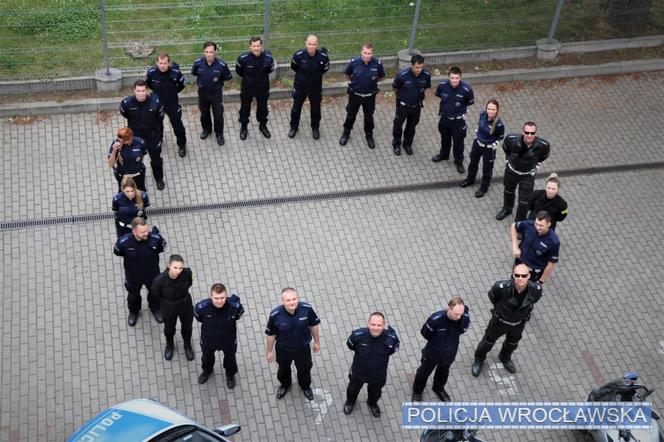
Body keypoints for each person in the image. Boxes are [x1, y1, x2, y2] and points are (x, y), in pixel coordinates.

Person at [471, 264, 542, 376]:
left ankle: (505, 357)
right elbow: (492, 296)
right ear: (513, 275)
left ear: (528, 276)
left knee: (512, 343)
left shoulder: (536, 289)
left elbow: (533, 302)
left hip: (518, 323)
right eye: (517, 275)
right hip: (500, 322)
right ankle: (479, 359)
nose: (520, 278)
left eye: (523, 275)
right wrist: (501, 311)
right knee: (487, 342)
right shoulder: (502, 287)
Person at [265, 287, 320, 400]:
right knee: (283, 369)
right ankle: (285, 385)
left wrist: (317, 342)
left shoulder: (307, 309)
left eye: (294, 299)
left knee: (305, 369)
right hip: (283, 349)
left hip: (303, 349)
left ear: (297, 299)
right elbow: (271, 334)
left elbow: (313, 325)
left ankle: (305, 386)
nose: (292, 302)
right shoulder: (275, 315)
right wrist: (269, 351)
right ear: (282, 301)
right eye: (288, 300)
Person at [411, 297, 470, 402]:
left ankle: (438, 388)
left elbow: (462, 330)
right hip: (432, 354)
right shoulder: (435, 320)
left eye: (461, 313)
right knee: (423, 373)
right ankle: (417, 391)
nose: (459, 317)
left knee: (443, 373)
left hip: (449, 354)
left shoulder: (464, 318)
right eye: (456, 314)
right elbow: (425, 333)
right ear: (449, 309)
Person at [343, 312, 399, 418]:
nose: (376, 328)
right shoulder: (358, 336)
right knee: (352, 389)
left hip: (378, 374)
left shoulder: (391, 338)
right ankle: (350, 402)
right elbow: (350, 345)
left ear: (384, 325)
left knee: (375, 392)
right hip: (358, 372)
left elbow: (392, 350)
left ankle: (372, 403)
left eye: (379, 325)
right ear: (368, 323)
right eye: (373, 324)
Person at [113, 217, 166, 326]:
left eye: (147, 230)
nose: (147, 233)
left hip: (152, 275)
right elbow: (117, 252)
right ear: (134, 231)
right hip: (133, 277)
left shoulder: (156, 239)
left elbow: (162, 247)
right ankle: (134, 312)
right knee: (133, 296)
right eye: (143, 232)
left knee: (155, 294)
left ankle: (156, 309)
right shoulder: (124, 242)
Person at [495, 121, 551, 221]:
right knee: (508, 191)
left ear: (536, 133)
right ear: (523, 132)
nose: (529, 135)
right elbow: (506, 149)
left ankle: (519, 222)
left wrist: (535, 164)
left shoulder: (543, 145)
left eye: (532, 133)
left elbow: (543, 156)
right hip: (511, 171)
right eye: (527, 132)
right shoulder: (511, 139)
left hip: (527, 175)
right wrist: (509, 160)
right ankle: (507, 209)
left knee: (524, 201)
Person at [195, 283, 245, 386]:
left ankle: (230, 374)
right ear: (211, 297)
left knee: (230, 358)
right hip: (208, 340)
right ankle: (207, 371)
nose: (219, 301)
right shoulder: (201, 308)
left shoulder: (235, 307)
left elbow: (237, 316)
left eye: (222, 298)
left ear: (226, 296)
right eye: (216, 298)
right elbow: (199, 318)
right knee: (207, 358)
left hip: (228, 340)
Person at [119, 80, 166, 190]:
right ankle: (136, 180)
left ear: (147, 90)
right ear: (134, 91)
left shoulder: (155, 102)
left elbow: (160, 117)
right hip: (134, 138)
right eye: (138, 91)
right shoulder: (127, 103)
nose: (141, 93)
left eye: (143, 90)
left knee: (156, 160)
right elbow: (124, 113)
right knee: (134, 160)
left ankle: (159, 178)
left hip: (152, 137)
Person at [339, 43, 385, 149]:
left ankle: (369, 136)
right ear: (361, 52)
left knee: (368, 117)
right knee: (350, 115)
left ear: (372, 54)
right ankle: (346, 133)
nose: (367, 55)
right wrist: (356, 82)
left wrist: (371, 82)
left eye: (369, 53)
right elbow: (347, 75)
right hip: (355, 95)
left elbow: (381, 77)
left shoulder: (377, 64)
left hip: (369, 96)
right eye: (365, 53)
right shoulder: (354, 62)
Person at [431, 66, 474, 174]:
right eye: (452, 78)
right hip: (445, 119)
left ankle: (458, 161)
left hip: (458, 121)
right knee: (444, 139)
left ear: (460, 78)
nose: (454, 80)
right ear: (449, 77)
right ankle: (444, 155)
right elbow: (438, 94)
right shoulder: (442, 85)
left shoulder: (466, 89)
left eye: (456, 78)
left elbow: (470, 102)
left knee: (458, 143)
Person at [151, 255, 195, 362]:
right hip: (169, 306)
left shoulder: (187, 272)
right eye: (175, 267)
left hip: (185, 304)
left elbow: (190, 282)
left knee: (187, 326)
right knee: (169, 328)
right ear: (169, 266)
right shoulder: (159, 281)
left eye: (180, 268)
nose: (178, 271)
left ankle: (187, 344)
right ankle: (169, 345)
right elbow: (156, 295)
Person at [460, 99, 505, 197]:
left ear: (497, 110)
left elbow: (500, 137)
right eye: (489, 109)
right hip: (478, 144)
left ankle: (484, 187)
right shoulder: (482, 114)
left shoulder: (499, 124)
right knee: (473, 163)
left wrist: (494, 143)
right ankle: (470, 179)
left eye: (493, 109)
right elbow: (480, 126)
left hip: (489, 148)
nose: (490, 111)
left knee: (487, 169)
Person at [191, 41, 233, 146]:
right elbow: (194, 72)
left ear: (215, 52)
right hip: (203, 93)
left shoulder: (222, 65)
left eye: (211, 52)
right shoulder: (198, 63)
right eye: (206, 52)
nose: (209, 54)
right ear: (203, 52)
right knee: (204, 113)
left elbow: (227, 77)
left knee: (218, 115)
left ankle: (219, 134)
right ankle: (207, 129)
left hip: (216, 94)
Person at [288, 35, 330, 140]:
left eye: (314, 44)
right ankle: (294, 126)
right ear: (306, 43)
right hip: (300, 86)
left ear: (317, 45)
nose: (311, 46)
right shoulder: (298, 55)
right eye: (310, 44)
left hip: (315, 88)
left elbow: (325, 69)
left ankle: (315, 127)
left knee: (316, 109)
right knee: (296, 108)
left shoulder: (323, 57)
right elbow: (294, 67)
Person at [146, 53, 187, 157]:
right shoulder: (151, 73)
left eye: (165, 63)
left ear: (169, 63)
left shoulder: (175, 72)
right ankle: (159, 140)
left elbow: (182, 84)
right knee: (156, 125)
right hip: (157, 103)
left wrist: (173, 92)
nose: (162, 65)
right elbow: (149, 84)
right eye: (160, 63)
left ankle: (182, 145)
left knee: (178, 126)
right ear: (157, 63)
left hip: (172, 103)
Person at [391, 53, 431, 156]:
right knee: (398, 125)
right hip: (403, 106)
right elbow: (396, 87)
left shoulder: (426, 75)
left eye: (421, 67)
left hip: (416, 106)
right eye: (417, 67)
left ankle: (407, 144)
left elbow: (426, 86)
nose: (419, 70)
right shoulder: (402, 75)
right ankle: (396, 144)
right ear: (412, 65)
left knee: (411, 126)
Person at [236, 36, 275, 140]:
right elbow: (239, 72)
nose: (256, 48)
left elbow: (270, 69)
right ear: (250, 46)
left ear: (261, 46)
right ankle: (244, 127)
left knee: (263, 109)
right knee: (244, 109)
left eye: (258, 46)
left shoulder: (268, 58)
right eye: (254, 46)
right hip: (247, 88)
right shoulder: (243, 59)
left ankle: (263, 126)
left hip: (262, 88)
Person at [511, 211, 560, 283]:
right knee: (514, 282)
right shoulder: (529, 225)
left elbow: (551, 264)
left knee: (528, 290)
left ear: (548, 224)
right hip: (520, 262)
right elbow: (514, 227)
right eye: (536, 224)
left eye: (541, 225)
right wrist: (515, 247)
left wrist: (541, 281)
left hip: (534, 271)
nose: (537, 227)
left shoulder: (553, 242)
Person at [106, 127, 147, 192]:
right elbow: (111, 164)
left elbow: (142, 156)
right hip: (123, 177)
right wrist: (114, 151)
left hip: (138, 175)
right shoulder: (116, 144)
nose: (119, 141)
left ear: (129, 139)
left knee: (140, 191)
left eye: (121, 140)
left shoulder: (140, 143)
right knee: (124, 193)